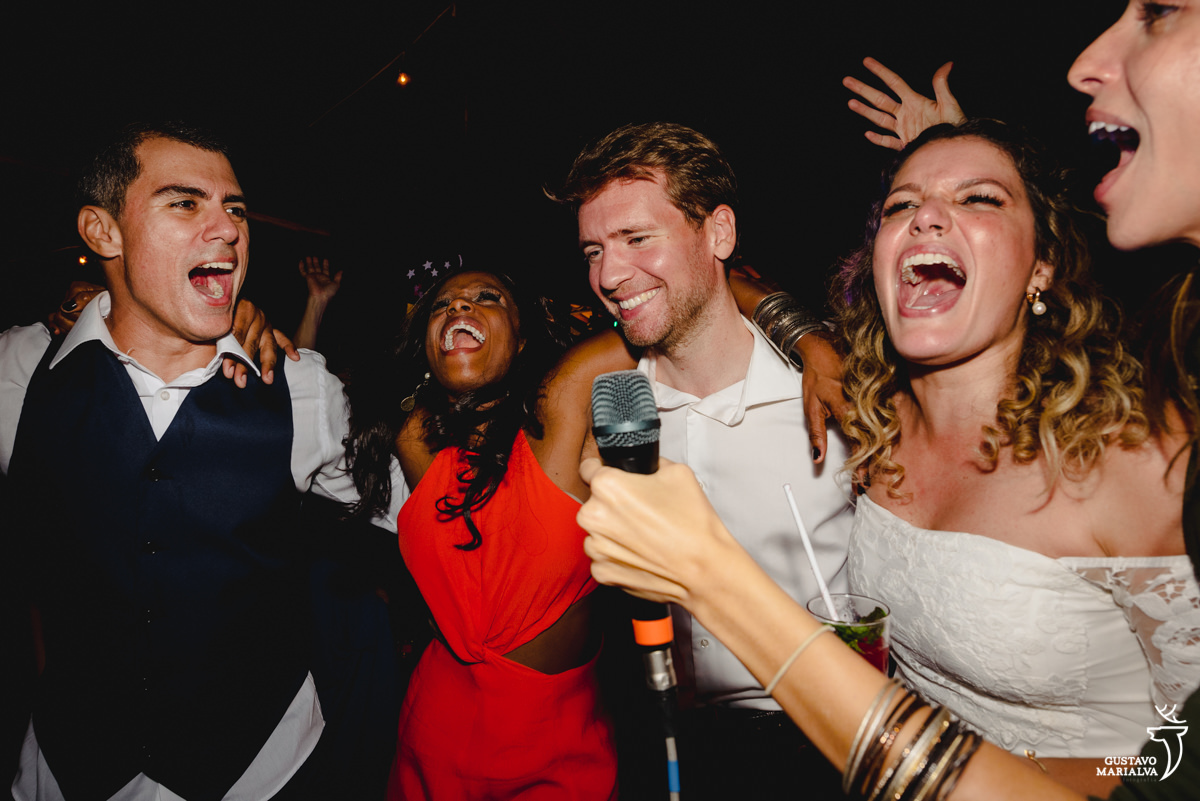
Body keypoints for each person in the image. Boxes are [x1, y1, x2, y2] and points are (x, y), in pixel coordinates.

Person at [579, 3, 1200, 798]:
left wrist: (1063, 775)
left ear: (1043, 266)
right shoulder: (865, 422)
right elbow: (725, 299)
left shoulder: (1137, 456)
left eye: (981, 201)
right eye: (903, 206)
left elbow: (1182, 748)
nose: (929, 216)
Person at [1, 121, 362, 801]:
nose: (226, 227)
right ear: (102, 232)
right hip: (66, 767)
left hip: (262, 766)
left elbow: (418, 510)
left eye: (236, 208)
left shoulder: (304, 387)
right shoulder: (21, 373)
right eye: (186, 202)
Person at [546, 121, 855, 798]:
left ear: (719, 233)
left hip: (830, 740)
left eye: (636, 239)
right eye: (594, 249)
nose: (608, 274)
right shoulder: (613, 423)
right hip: (670, 740)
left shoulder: (835, 401)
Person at [345, 269, 623, 800]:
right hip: (432, 737)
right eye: (442, 305)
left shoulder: (559, 417)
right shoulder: (412, 438)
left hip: (557, 750)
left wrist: (798, 331)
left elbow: (684, 307)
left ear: (521, 341)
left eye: (486, 298)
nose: (458, 308)